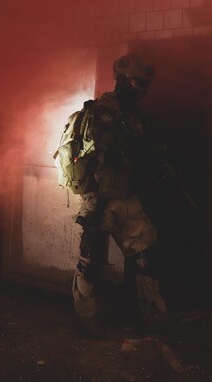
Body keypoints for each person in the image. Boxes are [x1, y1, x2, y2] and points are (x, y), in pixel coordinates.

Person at [72, 53, 167, 337]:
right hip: (100, 194)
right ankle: (85, 317)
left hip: (123, 195)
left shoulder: (135, 115)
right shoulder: (107, 106)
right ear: (123, 80)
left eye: (145, 83)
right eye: (138, 82)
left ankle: (153, 317)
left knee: (145, 251)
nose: (142, 89)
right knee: (91, 258)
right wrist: (134, 144)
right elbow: (106, 142)